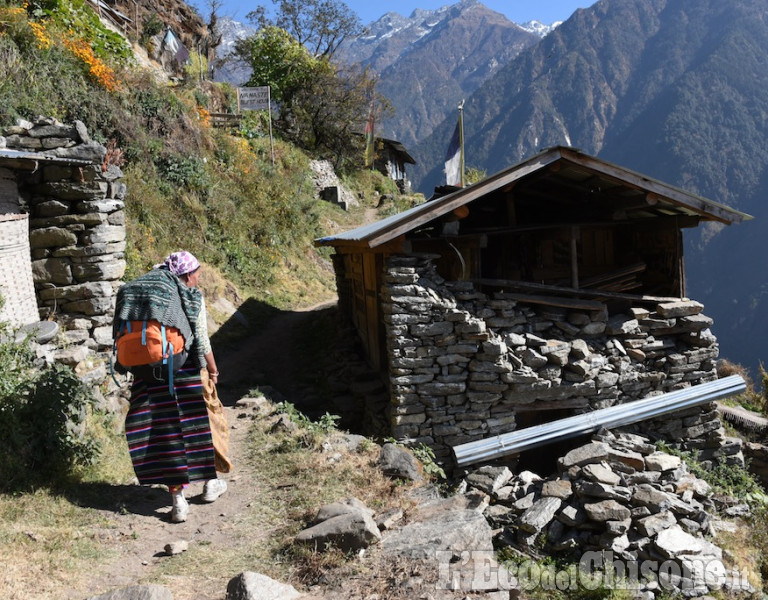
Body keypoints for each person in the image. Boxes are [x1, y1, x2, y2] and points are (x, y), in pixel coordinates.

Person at [115, 251, 230, 523]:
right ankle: (209, 484)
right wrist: (212, 369)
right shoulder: (189, 297)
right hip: (182, 368)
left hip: (146, 373)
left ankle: (177, 500)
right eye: (197, 273)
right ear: (187, 274)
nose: (199, 277)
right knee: (196, 425)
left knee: (163, 431)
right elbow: (201, 340)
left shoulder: (139, 292)